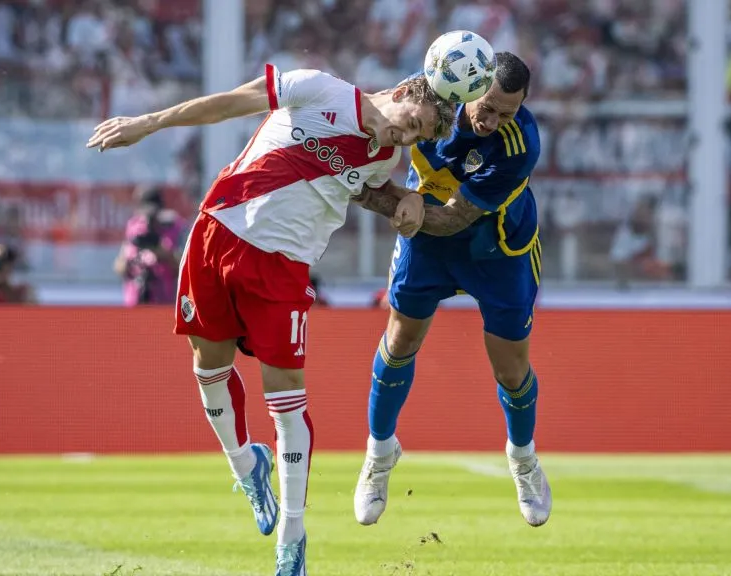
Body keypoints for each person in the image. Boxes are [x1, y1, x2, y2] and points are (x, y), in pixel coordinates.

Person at [86, 63, 455, 576]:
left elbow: (365, 190)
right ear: (400, 92)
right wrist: (148, 123)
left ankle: (293, 538)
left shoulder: (385, 157)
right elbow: (230, 102)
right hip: (217, 228)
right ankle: (246, 464)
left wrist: (407, 197)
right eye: (413, 121)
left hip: (282, 267)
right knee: (207, 368)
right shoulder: (320, 89)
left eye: (420, 136)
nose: (407, 135)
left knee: (285, 399)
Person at [351, 52, 551, 528]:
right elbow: (372, 129)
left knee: (510, 368)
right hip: (427, 243)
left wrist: (365, 194)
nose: (494, 121)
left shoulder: (520, 144)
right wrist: (350, 172)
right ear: (468, 87)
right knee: (400, 342)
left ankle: (524, 462)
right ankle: (379, 455)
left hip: (497, 247)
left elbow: (451, 218)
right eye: (489, 107)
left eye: (508, 112)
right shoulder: (427, 101)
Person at [113, 186, 187, 306]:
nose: (148, 218)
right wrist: (129, 260)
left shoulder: (174, 227)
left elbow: (186, 269)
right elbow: (119, 267)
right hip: (135, 302)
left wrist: (161, 252)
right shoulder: (134, 226)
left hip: (164, 303)